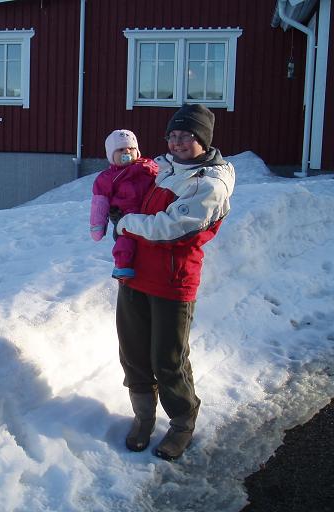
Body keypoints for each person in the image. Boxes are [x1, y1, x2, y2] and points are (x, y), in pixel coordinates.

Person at [109, 104, 235, 460]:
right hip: (134, 277)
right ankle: (144, 417)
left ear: (203, 140)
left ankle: (182, 423)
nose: (177, 142)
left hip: (172, 283)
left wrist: (125, 223)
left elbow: (170, 229)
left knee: (168, 360)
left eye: (186, 136)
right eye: (173, 135)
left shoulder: (209, 184)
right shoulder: (164, 168)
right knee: (133, 353)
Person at [90, 129, 158, 279]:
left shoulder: (148, 167)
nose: (127, 151)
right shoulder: (108, 178)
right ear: (111, 155)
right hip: (127, 214)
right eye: (120, 149)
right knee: (126, 240)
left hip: (150, 211)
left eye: (131, 148)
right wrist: (97, 226)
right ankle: (123, 265)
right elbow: (100, 203)